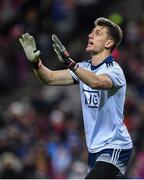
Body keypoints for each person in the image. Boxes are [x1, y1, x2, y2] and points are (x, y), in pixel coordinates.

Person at [19, 17, 133, 179]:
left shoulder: (114, 70)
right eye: (92, 32)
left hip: (115, 146)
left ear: (108, 43)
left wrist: (69, 62)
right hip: (94, 150)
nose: (90, 35)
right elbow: (49, 78)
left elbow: (96, 82)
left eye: (97, 33)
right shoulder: (84, 68)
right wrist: (36, 62)